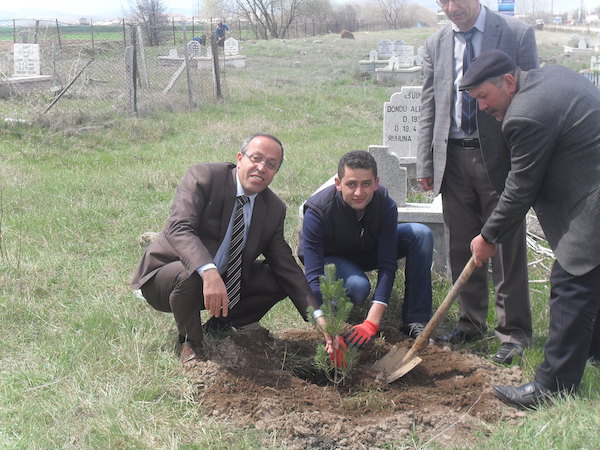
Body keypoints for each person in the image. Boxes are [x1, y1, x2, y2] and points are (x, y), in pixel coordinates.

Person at [460, 49, 600, 408]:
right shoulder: (550, 76)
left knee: (572, 282)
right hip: (590, 179)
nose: (481, 107)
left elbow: (521, 187)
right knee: (592, 278)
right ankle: (593, 354)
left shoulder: (525, 113)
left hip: (593, 195)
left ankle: (551, 387)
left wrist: (488, 236)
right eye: (475, 99)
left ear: (508, 81)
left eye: (484, 96)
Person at [131, 133, 333, 367]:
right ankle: (190, 342)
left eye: (271, 164)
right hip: (166, 277)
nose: (261, 168)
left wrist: (318, 316)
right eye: (256, 158)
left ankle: (221, 325)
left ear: (276, 172)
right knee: (191, 272)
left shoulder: (273, 208)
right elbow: (179, 228)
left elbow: (286, 267)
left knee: (276, 278)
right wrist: (208, 271)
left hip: (224, 281)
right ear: (240, 158)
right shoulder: (204, 177)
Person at [416, 0, 539, 364]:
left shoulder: (516, 34)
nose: (451, 7)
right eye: (443, 1)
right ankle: (470, 324)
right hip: (452, 157)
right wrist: (426, 159)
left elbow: (532, 95)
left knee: (506, 245)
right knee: (460, 245)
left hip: (501, 155)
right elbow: (429, 103)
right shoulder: (435, 44)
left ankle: (512, 332)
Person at [298, 151, 434, 347]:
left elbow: (387, 264)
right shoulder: (318, 211)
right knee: (358, 286)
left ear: (376, 183)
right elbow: (313, 274)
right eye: (351, 184)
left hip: (368, 250)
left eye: (366, 184)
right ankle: (335, 308)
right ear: (338, 183)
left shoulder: (385, 205)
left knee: (421, 234)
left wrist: (372, 322)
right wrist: (325, 321)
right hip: (331, 258)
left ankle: (415, 319)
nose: (359, 192)